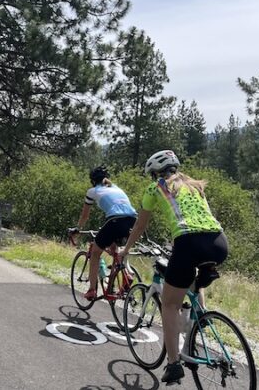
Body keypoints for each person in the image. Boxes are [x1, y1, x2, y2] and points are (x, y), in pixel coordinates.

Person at [118, 150, 228, 384]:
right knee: (192, 275)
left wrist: (125, 250)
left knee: (169, 304)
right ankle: (201, 313)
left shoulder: (155, 187)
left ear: (156, 173)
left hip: (188, 242)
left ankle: (173, 364)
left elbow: (139, 226)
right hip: (218, 243)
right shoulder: (196, 185)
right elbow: (198, 218)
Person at [72, 166, 138, 301]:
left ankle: (91, 290)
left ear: (92, 181)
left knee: (95, 252)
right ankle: (125, 275)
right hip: (132, 220)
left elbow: (85, 215)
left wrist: (77, 228)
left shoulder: (92, 191)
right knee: (116, 249)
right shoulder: (116, 188)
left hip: (115, 220)